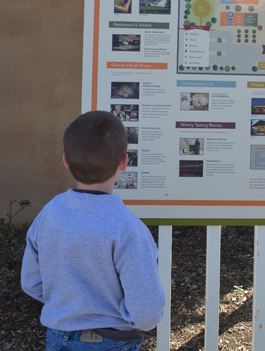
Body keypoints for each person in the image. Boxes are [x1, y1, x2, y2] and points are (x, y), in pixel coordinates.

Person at [21, 110, 165, 351]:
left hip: (57, 337)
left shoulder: (49, 214)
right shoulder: (129, 229)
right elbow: (146, 311)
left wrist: (68, 306)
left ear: (66, 161)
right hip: (111, 341)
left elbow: (31, 281)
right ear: (124, 162)